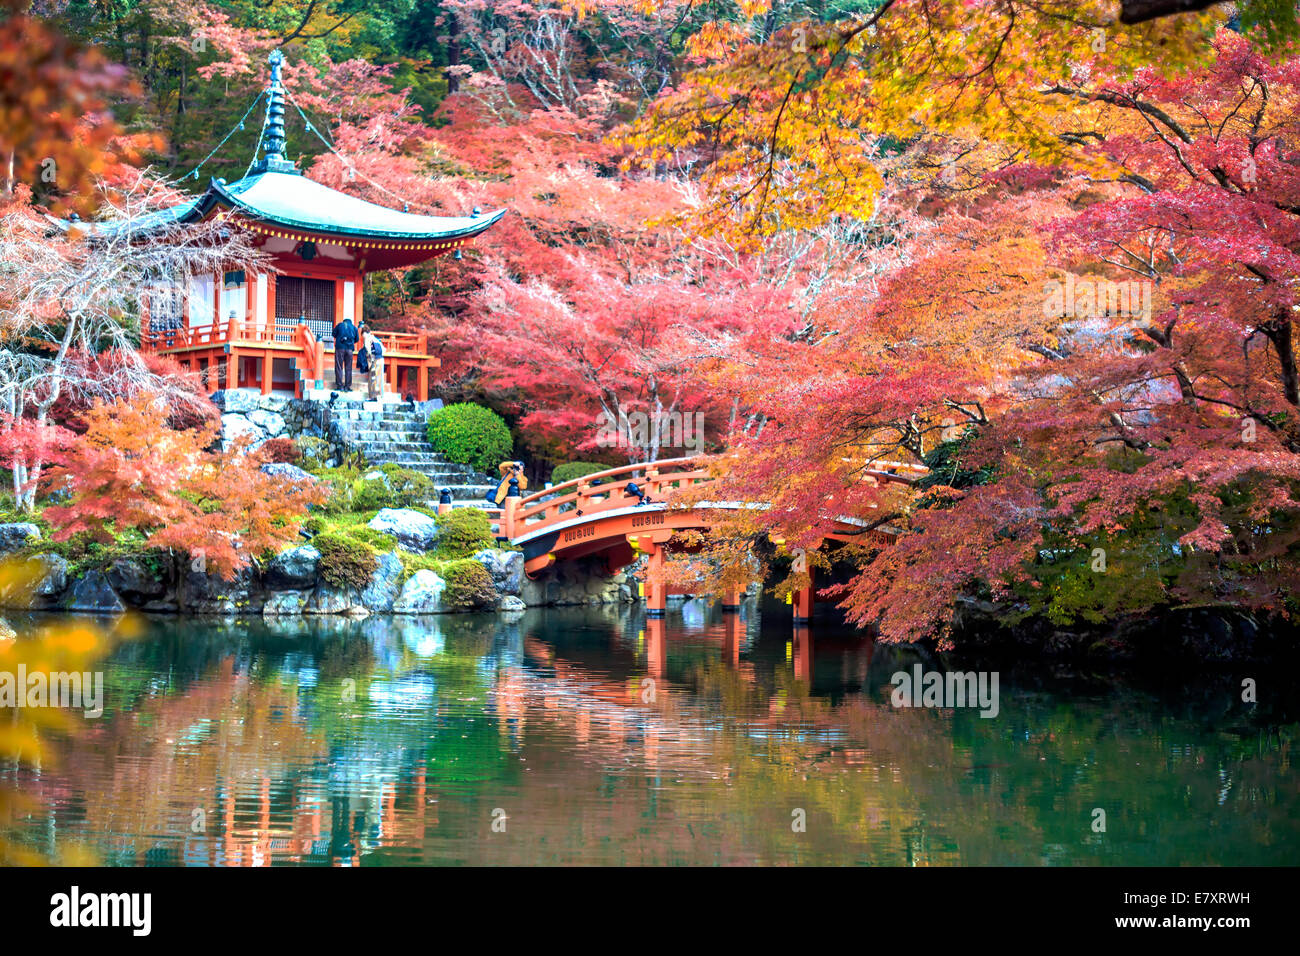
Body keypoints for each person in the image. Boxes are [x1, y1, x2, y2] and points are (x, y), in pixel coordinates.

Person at [332, 316, 358, 391]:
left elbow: (333, 334)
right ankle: (347, 386)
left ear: (344, 321)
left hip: (340, 348)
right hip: (349, 349)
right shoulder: (354, 327)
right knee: (348, 368)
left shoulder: (340, 325)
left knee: (339, 367)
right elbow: (357, 339)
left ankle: (340, 386)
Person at [360, 325, 385, 400]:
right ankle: (379, 396)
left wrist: (369, 364)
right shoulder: (376, 339)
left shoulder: (367, 339)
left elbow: (368, 351)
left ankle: (373, 397)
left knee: (372, 379)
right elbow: (383, 349)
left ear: (364, 333)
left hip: (374, 360)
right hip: (381, 359)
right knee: (379, 379)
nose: (362, 337)